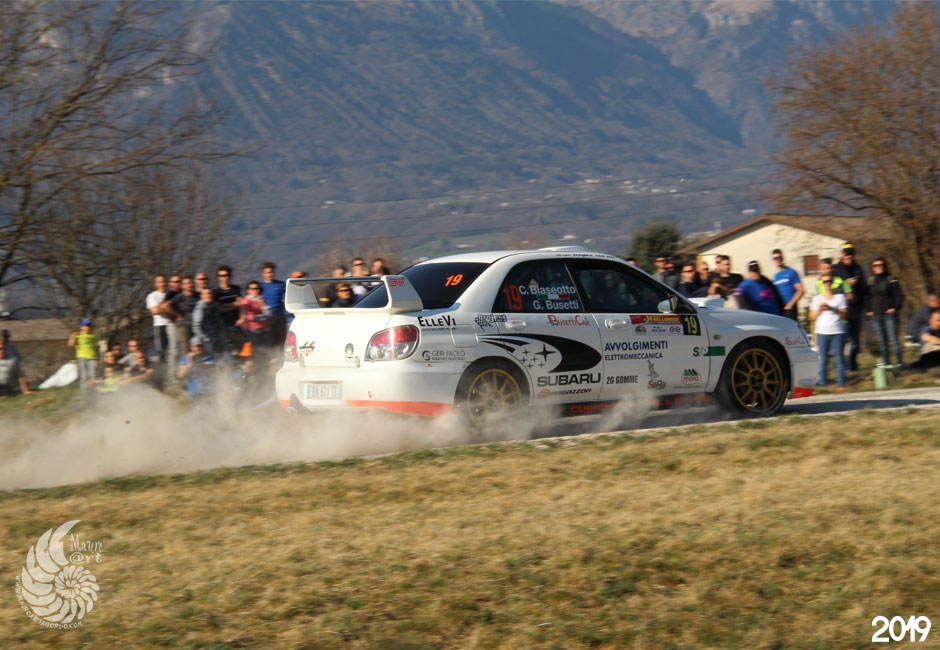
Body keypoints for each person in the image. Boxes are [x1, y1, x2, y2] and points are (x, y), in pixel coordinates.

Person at [810, 274, 848, 390]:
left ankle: (841, 383)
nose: (827, 284)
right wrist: (820, 309)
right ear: (822, 284)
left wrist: (832, 308)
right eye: (825, 282)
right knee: (823, 359)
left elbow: (844, 315)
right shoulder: (817, 298)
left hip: (837, 331)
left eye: (829, 281)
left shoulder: (840, 297)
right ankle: (823, 383)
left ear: (832, 283)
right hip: (822, 331)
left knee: (839, 359)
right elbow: (811, 317)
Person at [832, 242, 866, 371]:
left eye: (850, 253)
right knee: (842, 339)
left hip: (856, 309)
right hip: (842, 310)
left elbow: (863, 288)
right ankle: (839, 366)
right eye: (846, 253)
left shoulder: (858, 269)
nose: (848, 256)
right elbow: (833, 287)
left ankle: (852, 366)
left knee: (854, 341)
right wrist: (846, 284)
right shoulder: (836, 269)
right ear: (842, 254)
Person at [865, 257, 904, 368]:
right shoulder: (870, 280)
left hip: (889, 315)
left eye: (881, 265)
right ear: (873, 268)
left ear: (885, 266)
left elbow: (899, 295)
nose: (879, 267)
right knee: (882, 342)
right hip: (876, 315)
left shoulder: (891, 279)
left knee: (893, 340)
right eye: (876, 265)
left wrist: (895, 307)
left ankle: (899, 364)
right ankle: (887, 364)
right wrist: (868, 310)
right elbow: (866, 297)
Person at [213, 265, 243, 353]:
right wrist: (234, 304)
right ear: (218, 277)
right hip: (223, 325)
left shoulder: (236, 289)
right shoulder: (215, 293)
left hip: (237, 323)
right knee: (226, 349)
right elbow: (219, 309)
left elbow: (241, 304)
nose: (224, 277)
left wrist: (243, 317)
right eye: (222, 275)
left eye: (226, 275)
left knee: (240, 348)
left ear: (229, 276)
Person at [239, 280, 273, 355]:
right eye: (252, 289)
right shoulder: (246, 301)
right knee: (257, 351)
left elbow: (269, 314)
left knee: (267, 350)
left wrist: (262, 304)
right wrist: (262, 316)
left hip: (265, 328)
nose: (255, 290)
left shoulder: (261, 299)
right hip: (254, 330)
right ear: (248, 290)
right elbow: (248, 316)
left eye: (257, 288)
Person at [192, 288, 227, 357]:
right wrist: (205, 338)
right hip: (206, 340)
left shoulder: (215, 305)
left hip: (218, 337)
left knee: (223, 356)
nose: (208, 295)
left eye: (210, 293)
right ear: (202, 296)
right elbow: (196, 327)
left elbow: (219, 321)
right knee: (210, 359)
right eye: (206, 294)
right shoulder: (200, 308)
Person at [771, 249, 804, 321]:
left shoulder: (791, 272)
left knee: (791, 327)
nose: (777, 260)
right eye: (775, 258)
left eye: (779, 257)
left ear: (782, 258)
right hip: (780, 309)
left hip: (790, 309)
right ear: (773, 260)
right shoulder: (775, 276)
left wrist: (790, 304)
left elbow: (800, 290)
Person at [260, 261, 287, 346]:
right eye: (267, 272)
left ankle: (280, 354)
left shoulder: (281, 284)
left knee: (282, 341)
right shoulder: (259, 286)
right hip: (266, 319)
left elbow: (288, 297)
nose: (270, 274)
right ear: (263, 274)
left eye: (271, 272)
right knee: (270, 342)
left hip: (279, 318)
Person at [68, 318, 98, 390]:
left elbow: (96, 347)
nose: (88, 327)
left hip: (93, 358)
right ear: (81, 327)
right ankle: (84, 391)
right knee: (84, 376)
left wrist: (98, 358)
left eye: (90, 325)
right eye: (86, 325)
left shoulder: (93, 336)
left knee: (93, 376)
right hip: (82, 358)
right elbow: (70, 344)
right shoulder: (78, 337)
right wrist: (73, 335)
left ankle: (93, 391)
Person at [146, 275, 171, 360]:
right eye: (160, 282)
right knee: (163, 352)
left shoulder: (171, 294)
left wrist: (161, 307)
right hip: (160, 326)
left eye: (164, 281)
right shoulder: (152, 296)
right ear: (156, 283)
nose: (163, 284)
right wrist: (168, 307)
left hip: (173, 325)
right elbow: (155, 311)